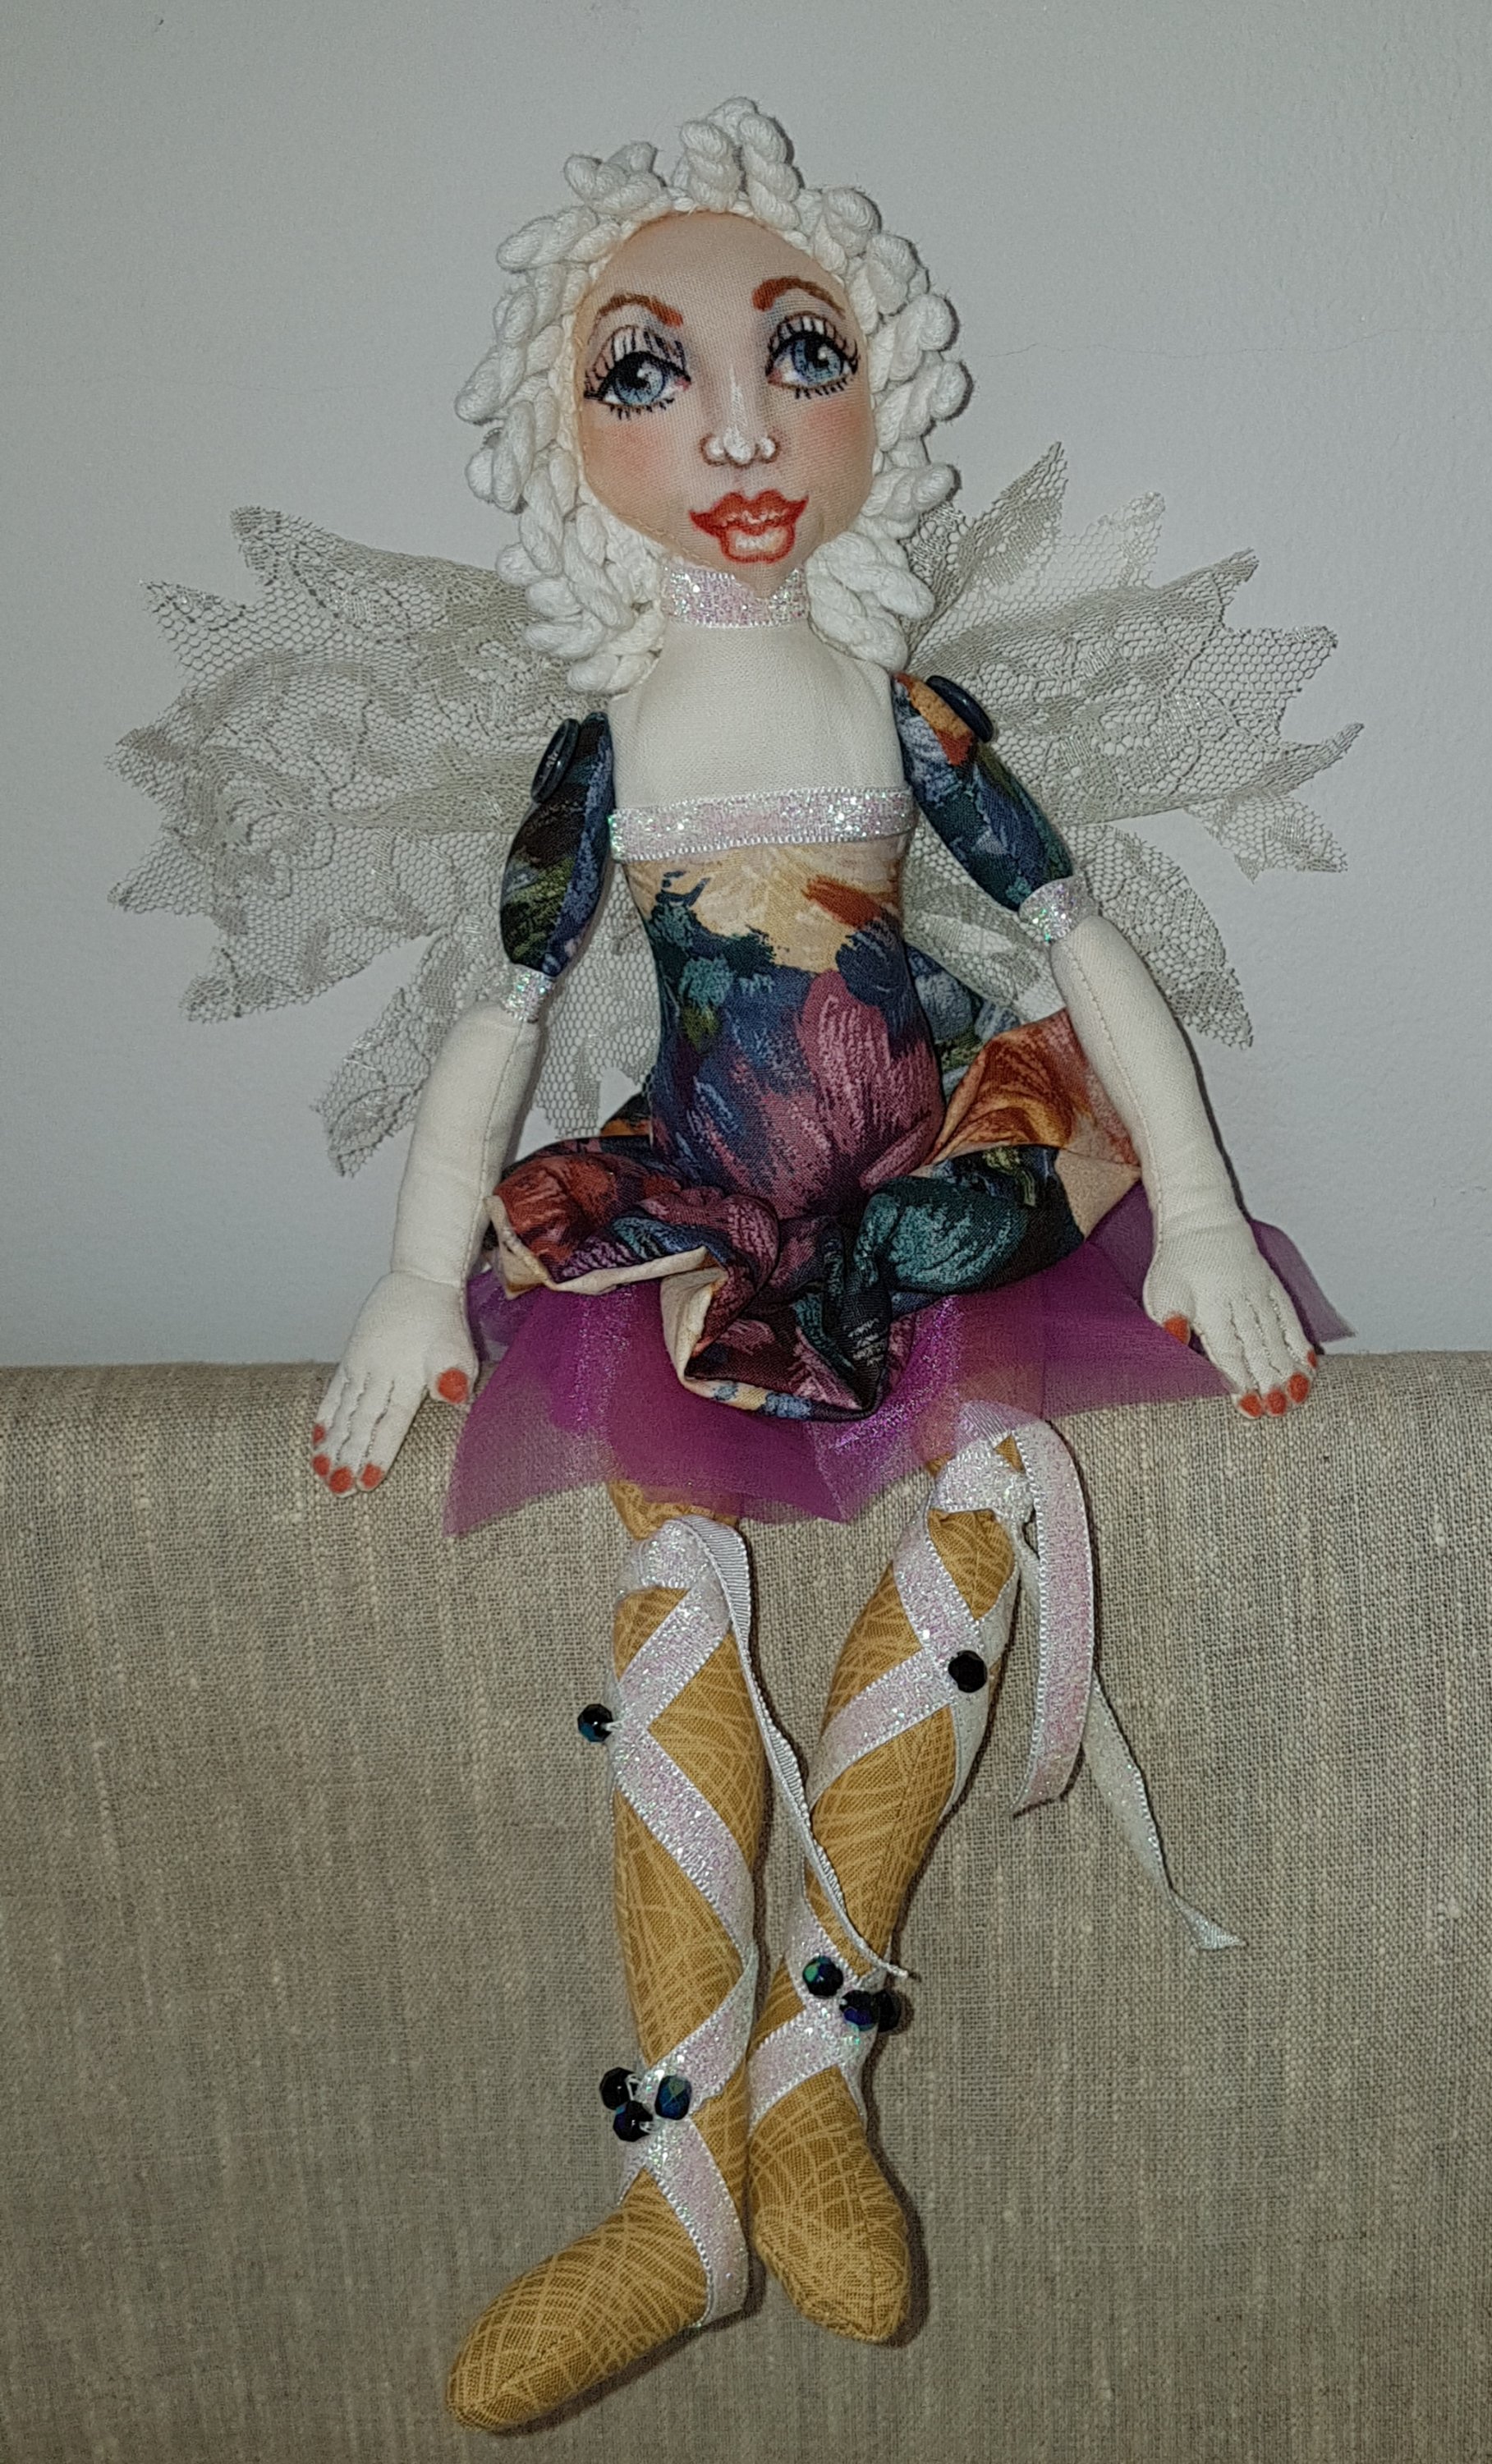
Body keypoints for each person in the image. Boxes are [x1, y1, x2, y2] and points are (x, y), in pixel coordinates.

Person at [302, 103, 1326, 2431]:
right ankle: (674, 2185)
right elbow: (502, 1011)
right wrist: (410, 1273)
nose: (745, 433)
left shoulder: (905, 711)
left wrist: (1184, 1204)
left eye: (801, 353)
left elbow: (1081, 945)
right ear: (561, 438)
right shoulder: (600, 751)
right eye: (646, 373)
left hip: (931, 1157)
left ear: (888, 392)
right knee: (672, 1564)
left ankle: (816, 2063)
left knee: (980, 1494)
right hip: (703, 1184)